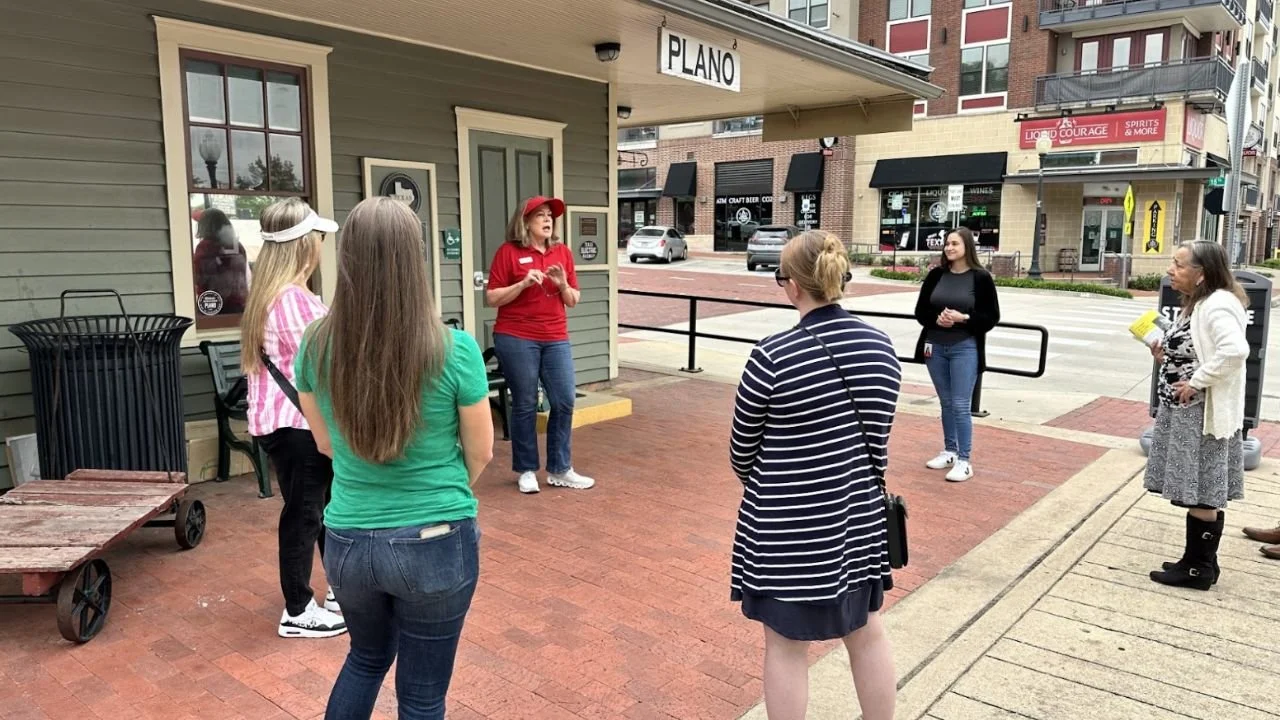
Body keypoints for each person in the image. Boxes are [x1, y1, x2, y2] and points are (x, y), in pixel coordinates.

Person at [297, 197, 493, 720]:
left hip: (347, 540)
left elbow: (324, 444)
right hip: (434, 539)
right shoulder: (455, 349)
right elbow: (482, 451)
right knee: (423, 695)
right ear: (416, 258)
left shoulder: (315, 344)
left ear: (348, 258)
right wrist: (443, 487)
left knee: (365, 658)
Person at [730, 230, 900, 720]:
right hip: (858, 518)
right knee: (866, 633)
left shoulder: (772, 356)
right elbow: (878, 440)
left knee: (785, 645)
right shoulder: (881, 348)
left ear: (793, 286)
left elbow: (742, 451)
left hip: (788, 525)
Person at [241, 198, 346, 639]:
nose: (322, 244)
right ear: (305, 245)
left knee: (318, 509)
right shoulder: (293, 301)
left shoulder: (273, 294)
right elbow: (329, 364)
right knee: (306, 513)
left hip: (285, 423)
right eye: (318, 237)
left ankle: (337, 588)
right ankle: (298, 610)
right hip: (300, 424)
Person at [1147, 240, 1248, 590]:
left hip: (1201, 414)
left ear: (1201, 273)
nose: (1170, 271)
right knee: (1200, 489)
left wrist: (1197, 381)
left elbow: (1234, 352)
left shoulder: (1217, 305)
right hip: (1189, 412)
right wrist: (1167, 357)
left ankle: (1197, 569)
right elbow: (1196, 350)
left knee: (1203, 490)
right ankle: (1198, 561)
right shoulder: (1201, 302)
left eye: (1178, 264)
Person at [485, 196, 594, 494]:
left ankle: (560, 469)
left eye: (550, 216)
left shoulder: (563, 253)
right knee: (524, 402)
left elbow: (573, 300)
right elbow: (492, 297)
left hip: (555, 336)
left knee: (564, 400)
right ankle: (526, 469)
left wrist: (561, 283)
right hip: (516, 336)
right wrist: (522, 284)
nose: (547, 220)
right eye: (540, 216)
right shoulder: (508, 253)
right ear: (526, 222)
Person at [912, 227, 1001, 482]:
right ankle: (949, 450)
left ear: (967, 248)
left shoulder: (980, 278)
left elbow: (991, 317)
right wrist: (937, 319)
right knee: (946, 402)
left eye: (955, 244)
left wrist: (964, 319)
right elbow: (921, 312)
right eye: (947, 243)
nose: (949, 248)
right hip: (935, 346)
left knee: (961, 404)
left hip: (965, 347)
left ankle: (964, 460)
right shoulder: (936, 275)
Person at [193, 208, 251, 316]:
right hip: (237, 303)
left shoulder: (204, 247)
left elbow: (199, 276)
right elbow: (245, 277)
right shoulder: (237, 246)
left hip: (211, 302)